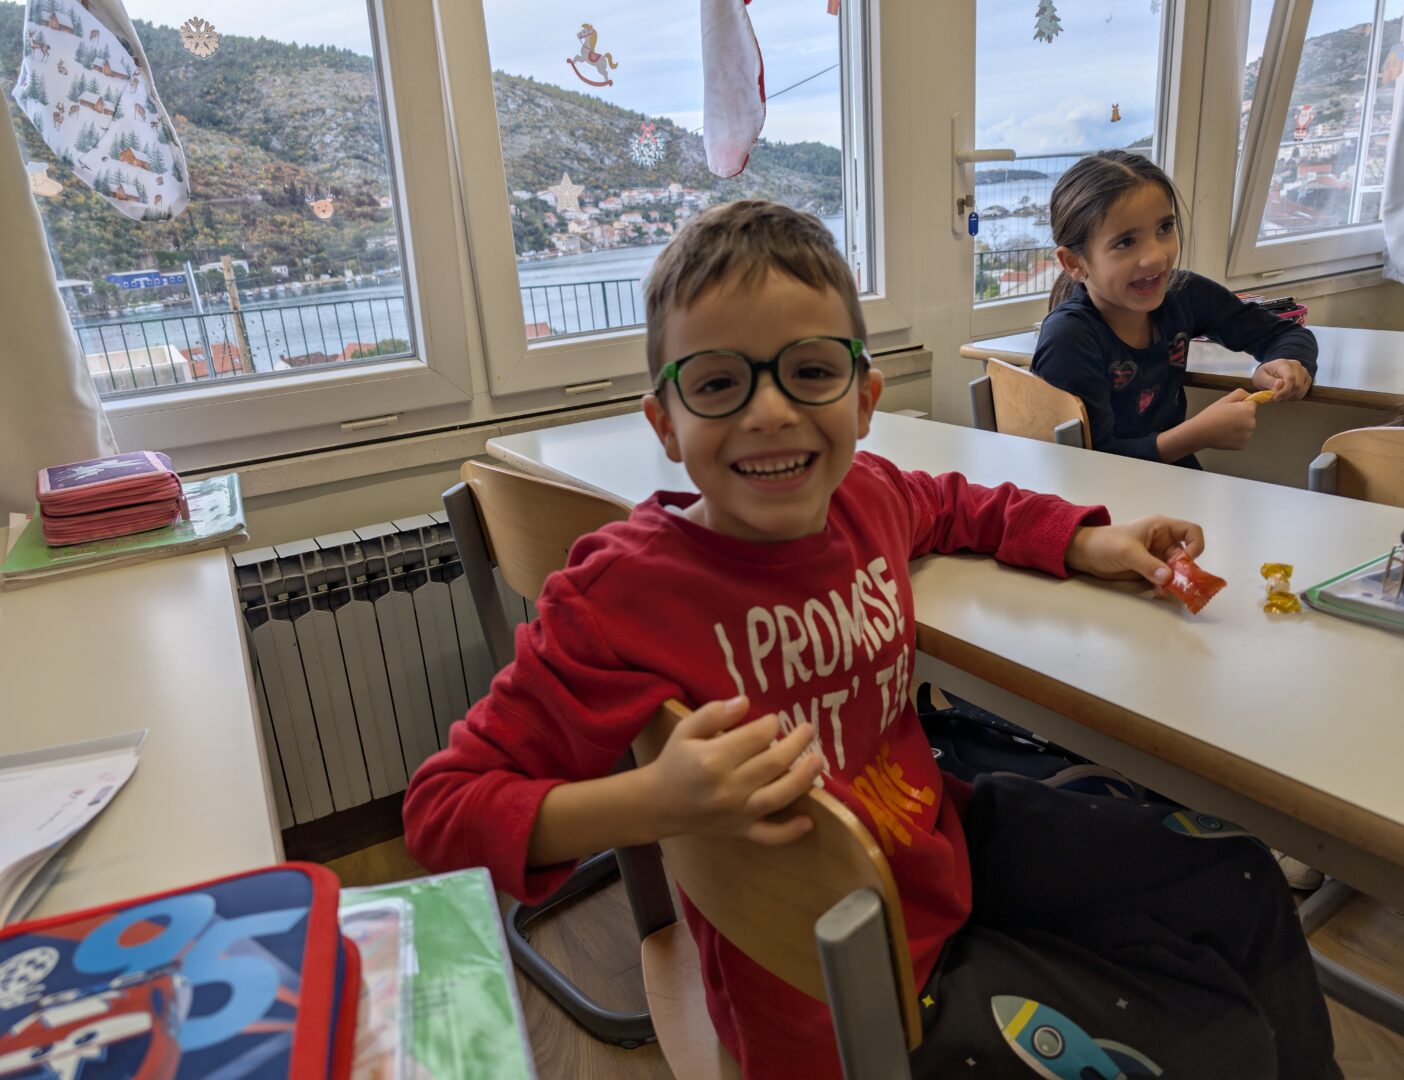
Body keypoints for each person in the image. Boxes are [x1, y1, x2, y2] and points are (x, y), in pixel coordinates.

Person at [404, 200, 1338, 1079]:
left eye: (810, 372)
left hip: (937, 849)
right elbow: (443, 814)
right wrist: (654, 801)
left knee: (1242, 876)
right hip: (831, 996)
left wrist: (1088, 541)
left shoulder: (867, 497)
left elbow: (959, 504)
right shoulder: (622, 590)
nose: (770, 411)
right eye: (719, 383)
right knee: (1224, 1042)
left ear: (863, 400)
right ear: (666, 424)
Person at [1032, 150, 1318, 468]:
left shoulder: (1183, 293)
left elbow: (1285, 334)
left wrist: (1287, 362)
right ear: (1075, 262)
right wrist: (1196, 435)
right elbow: (1088, 463)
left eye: (1165, 228)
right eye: (1126, 242)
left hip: (1178, 484)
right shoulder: (1068, 338)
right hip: (1104, 495)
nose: (1156, 256)